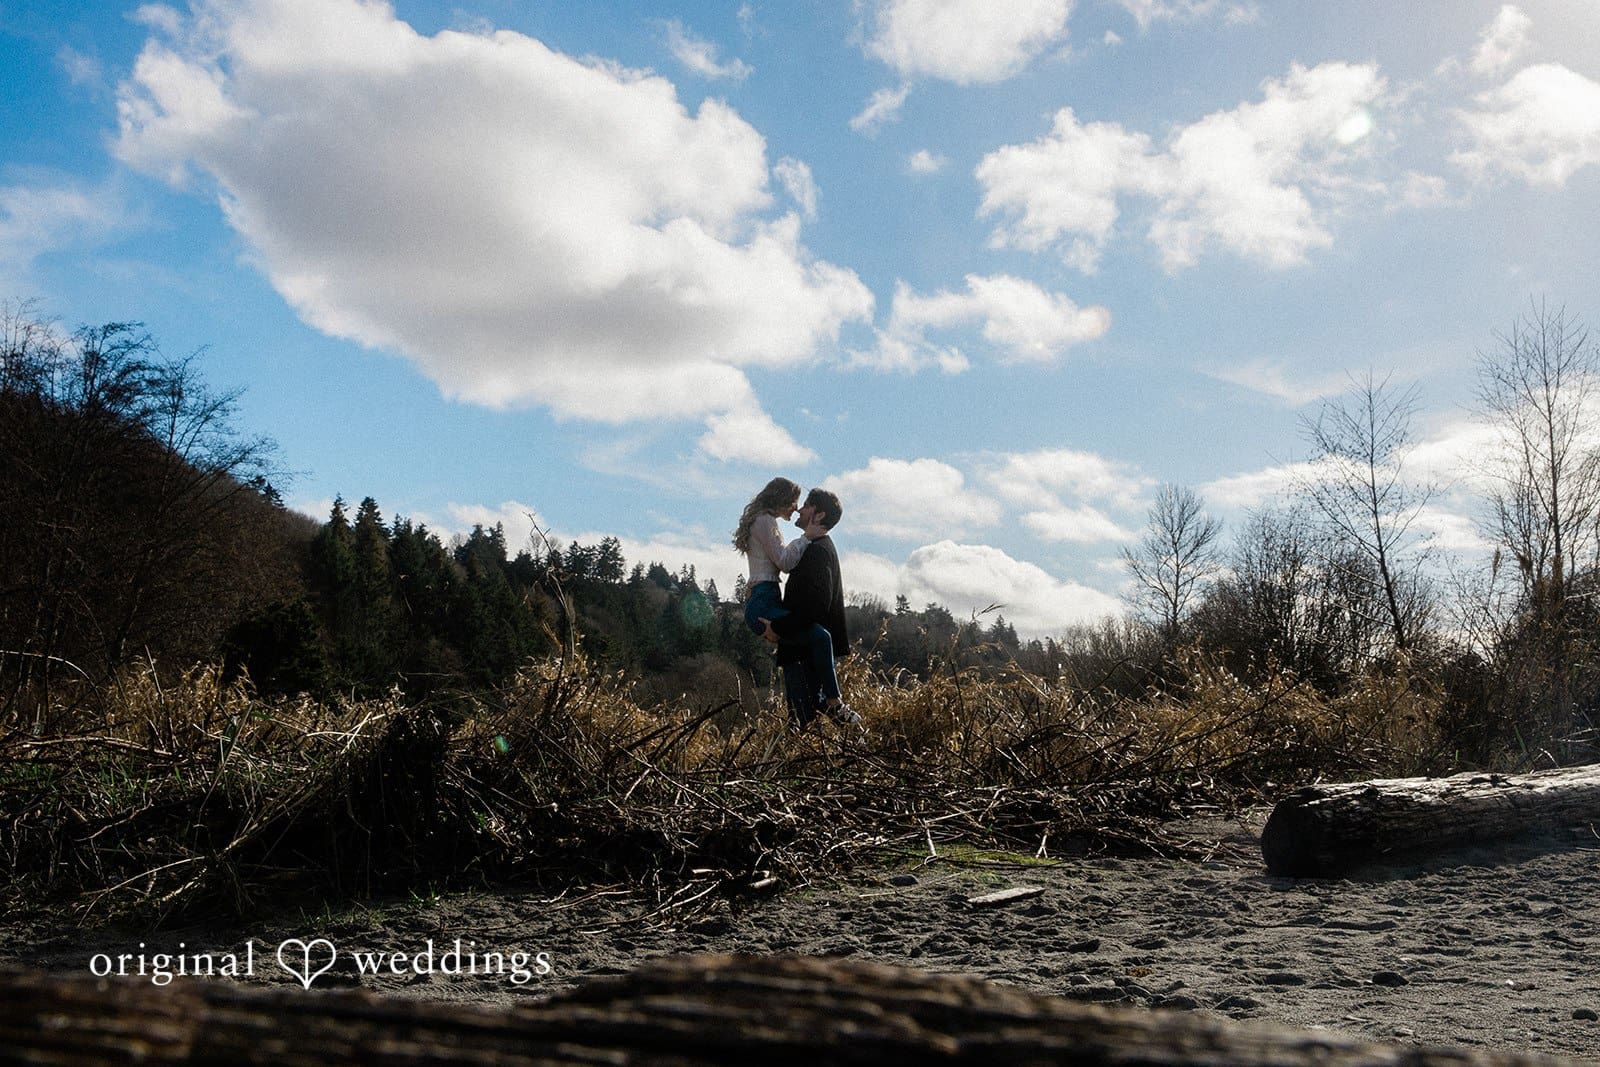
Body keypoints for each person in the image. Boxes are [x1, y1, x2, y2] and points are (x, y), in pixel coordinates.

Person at [761, 488, 858, 727]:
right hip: (807, 654)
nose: (799, 509)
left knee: (802, 725)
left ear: (819, 515)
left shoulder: (818, 552)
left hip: (804, 656)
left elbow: (815, 608)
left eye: (806, 505)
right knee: (806, 724)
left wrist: (778, 627)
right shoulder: (818, 549)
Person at [732, 477, 824, 639]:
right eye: (794, 502)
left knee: (805, 640)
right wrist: (805, 538)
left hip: (763, 597)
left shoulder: (762, 520)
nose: (796, 509)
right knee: (819, 636)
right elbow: (785, 562)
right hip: (763, 601)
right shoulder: (764, 521)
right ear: (782, 499)